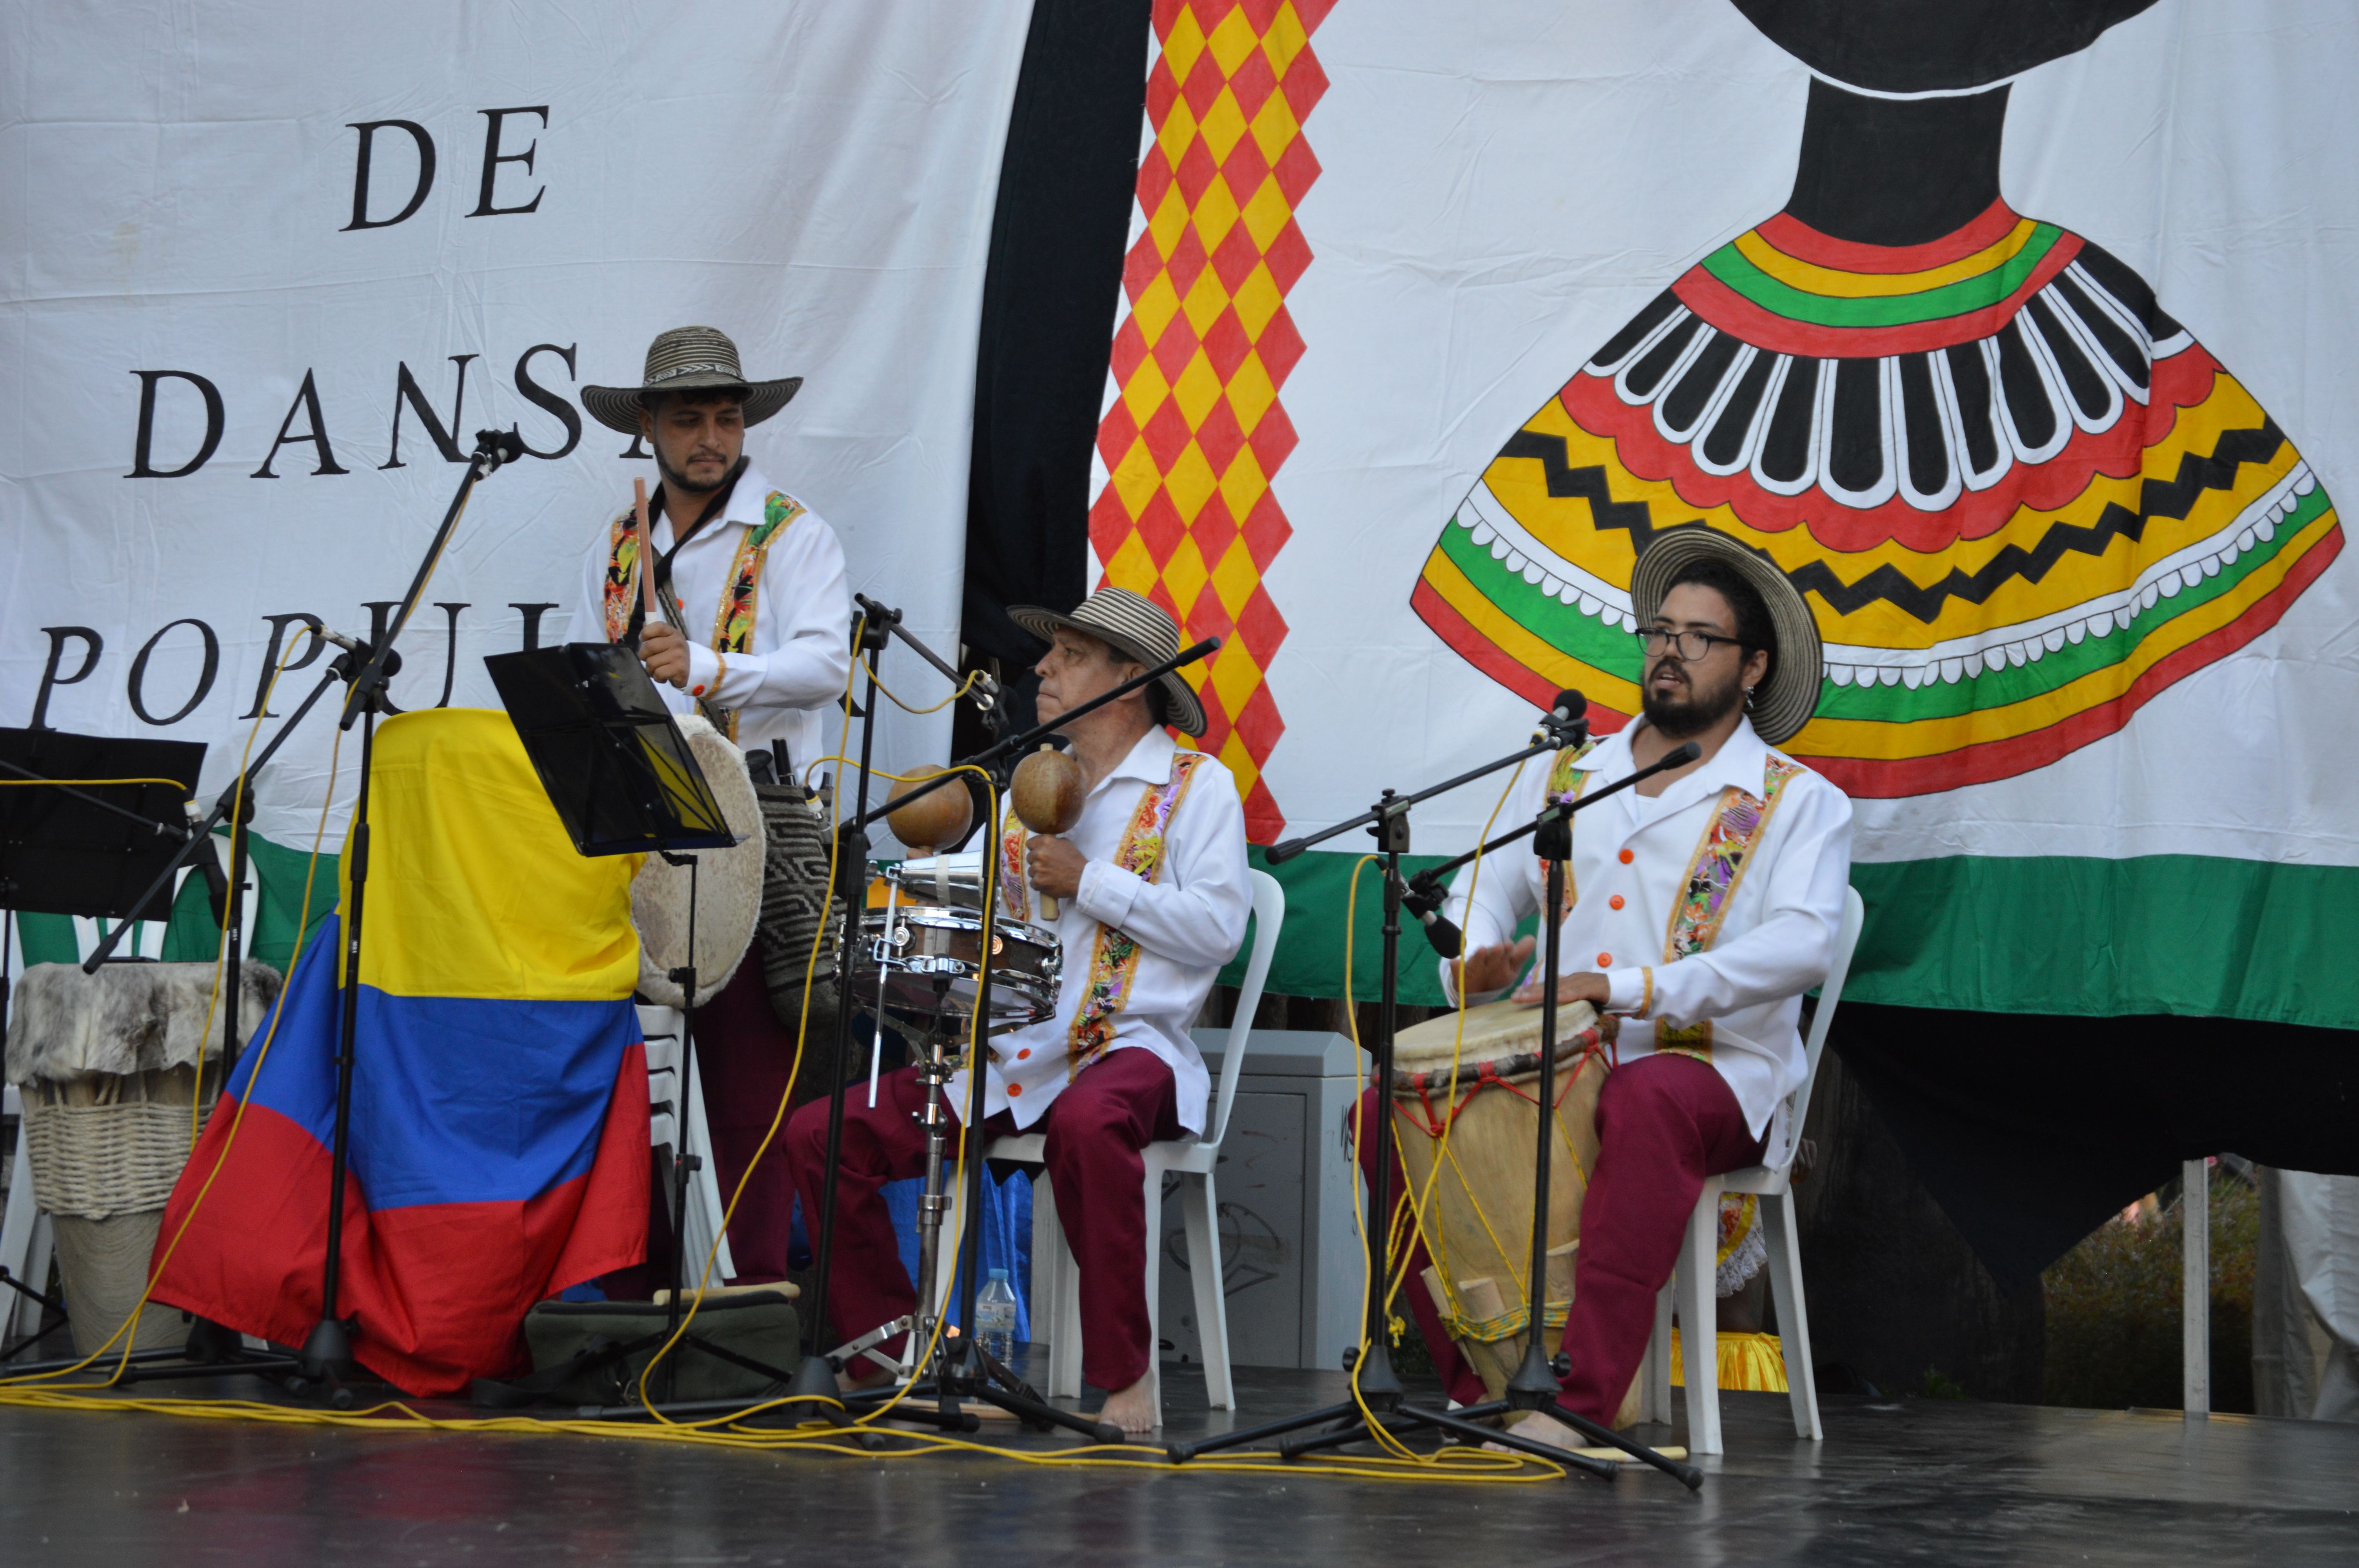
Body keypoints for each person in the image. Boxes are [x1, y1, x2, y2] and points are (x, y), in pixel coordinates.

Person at [1365, 526, 1853, 1448]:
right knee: (1379, 1107)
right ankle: (1479, 1380)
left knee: (1646, 1095)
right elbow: (1480, 888)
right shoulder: (1563, 774)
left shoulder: (1796, 799)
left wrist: (1626, 986)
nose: (1669, 650)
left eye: (1698, 637)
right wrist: (1467, 957)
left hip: (1710, 1073)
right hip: (1550, 1058)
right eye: (1660, 630)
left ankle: (1578, 1404)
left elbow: (1804, 945)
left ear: (1750, 667)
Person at [785, 587, 1250, 1433]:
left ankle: (1125, 1383)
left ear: (1131, 676)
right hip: (1010, 1055)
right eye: (1053, 652)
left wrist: (1089, 880)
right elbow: (964, 912)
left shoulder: (1196, 787)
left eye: (1070, 655)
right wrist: (921, 875)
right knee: (821, 1136)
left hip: (1133, 1049)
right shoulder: (1023, 788)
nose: (1042, 666)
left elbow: (1219, 928)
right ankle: (892, 1358)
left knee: (1088, 1121)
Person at [571, 325, 852, 1287]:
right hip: (640, 822)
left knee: (746, 1073)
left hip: (757, 815)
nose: (710, 435)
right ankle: (638, 1277)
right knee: (628, 1062)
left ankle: (757, 1289)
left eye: (725, 417)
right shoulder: (619, 541)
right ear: (646, 426)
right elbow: (586, 668)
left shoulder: (793, 531)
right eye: (687, 417)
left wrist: (709, 666)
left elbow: (827, 664)